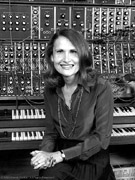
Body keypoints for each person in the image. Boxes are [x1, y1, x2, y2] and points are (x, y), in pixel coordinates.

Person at [30, 28, 116, 180]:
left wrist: (59, 155)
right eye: (60, 51)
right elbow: (51, 133)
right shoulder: (50, 90)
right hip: (61, 154)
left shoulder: (101, 87)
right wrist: (43, 154)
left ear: (82, 56)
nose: (66, 59)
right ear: (52, 57)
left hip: (92, 156)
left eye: (73, 52)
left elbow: (102, 139)